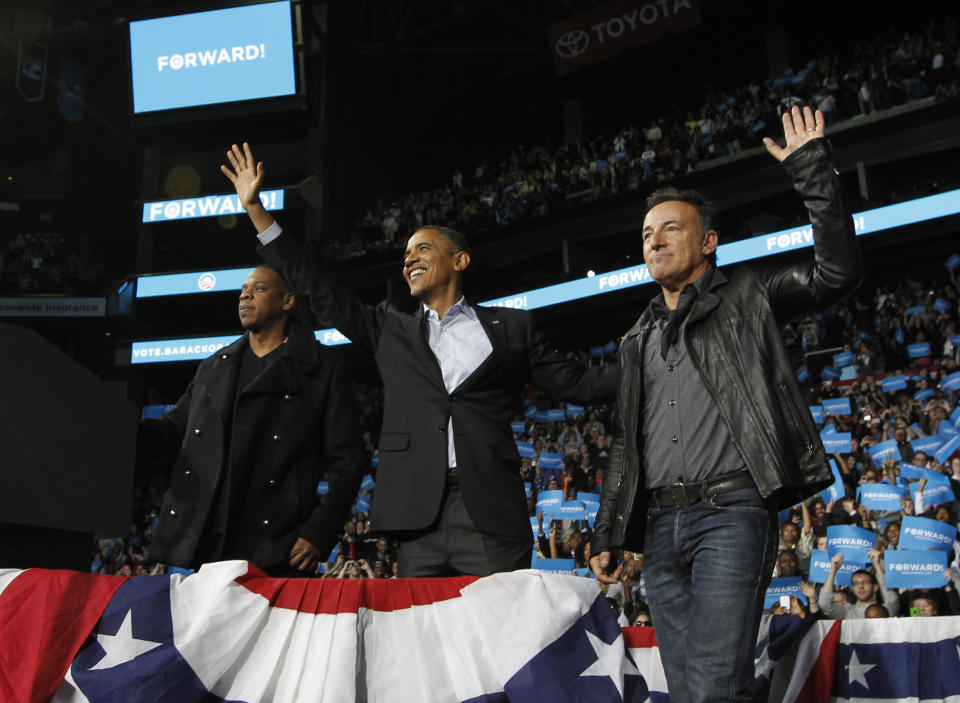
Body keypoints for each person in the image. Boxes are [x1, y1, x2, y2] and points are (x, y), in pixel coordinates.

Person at [221, 143, 617, 577]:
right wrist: (257, 211)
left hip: (488, 511)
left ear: (459, 260)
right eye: (407, 253)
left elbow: (577, 384)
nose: (410, 258)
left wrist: (650, 365)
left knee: (496, 640)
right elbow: (318, 288)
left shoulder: (513, 328)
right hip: (415, 516)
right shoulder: (390, 328)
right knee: (421, 642)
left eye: (423, 249)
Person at [591, 107, 862, 703]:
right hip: (661, 528)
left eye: (670, 228)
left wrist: (812, 168)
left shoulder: (748, 294)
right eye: (646, 233)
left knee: (713, 684)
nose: (654, 239)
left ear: (708, 242)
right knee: (691, 689)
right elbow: (624, 445)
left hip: (734, 513)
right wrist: (609, 529)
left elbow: (836, 271)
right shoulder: (635, 338)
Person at [140, 265, 366, 575]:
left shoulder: (323, 367)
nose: (245, 294)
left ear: (287, 301)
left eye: (258, 288)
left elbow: (348, 461)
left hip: (278, 543)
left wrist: (319, 531)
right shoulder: (214, 366)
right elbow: (178, 424)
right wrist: (129, 433)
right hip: (208, 540)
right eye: (243, 290)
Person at [818, 551, 899, 618]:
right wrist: (833, 570)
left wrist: (877, 565)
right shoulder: (847, 612)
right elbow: (825, 604)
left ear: (875, 587)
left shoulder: (885, 609)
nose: (860, 587)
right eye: (856, 584)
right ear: (852, 588)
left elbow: (892, 599)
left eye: (865, 583)